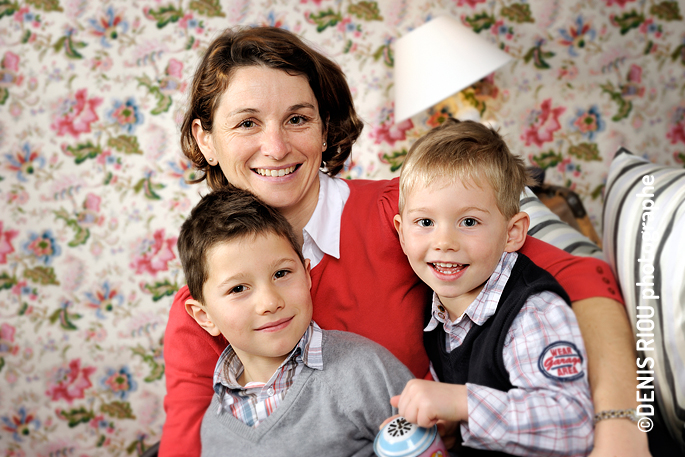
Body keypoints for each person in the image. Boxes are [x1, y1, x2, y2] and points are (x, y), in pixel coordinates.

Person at [161, 25, 648, 457]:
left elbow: (581, 277)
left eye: (297, 119)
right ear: (205, 139)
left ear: (325, 127)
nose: (276, 147)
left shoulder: (410, 214)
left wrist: (619, 424)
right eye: (247, 123)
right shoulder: (206, 307)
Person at [391, 118, 593, 455]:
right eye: (425, 222)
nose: (443, 242)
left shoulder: (533, 310)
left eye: (468, 222)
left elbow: (573, 423)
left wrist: (462, 403)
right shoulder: (435, 311)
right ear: (401, 233)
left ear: (512, 233)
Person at [176, 187, 413, 456]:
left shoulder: (364, 370)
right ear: (204, 317)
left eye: (281, 273)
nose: (270, 302)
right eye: (238, 289)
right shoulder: (214, 427)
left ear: (307, 275)